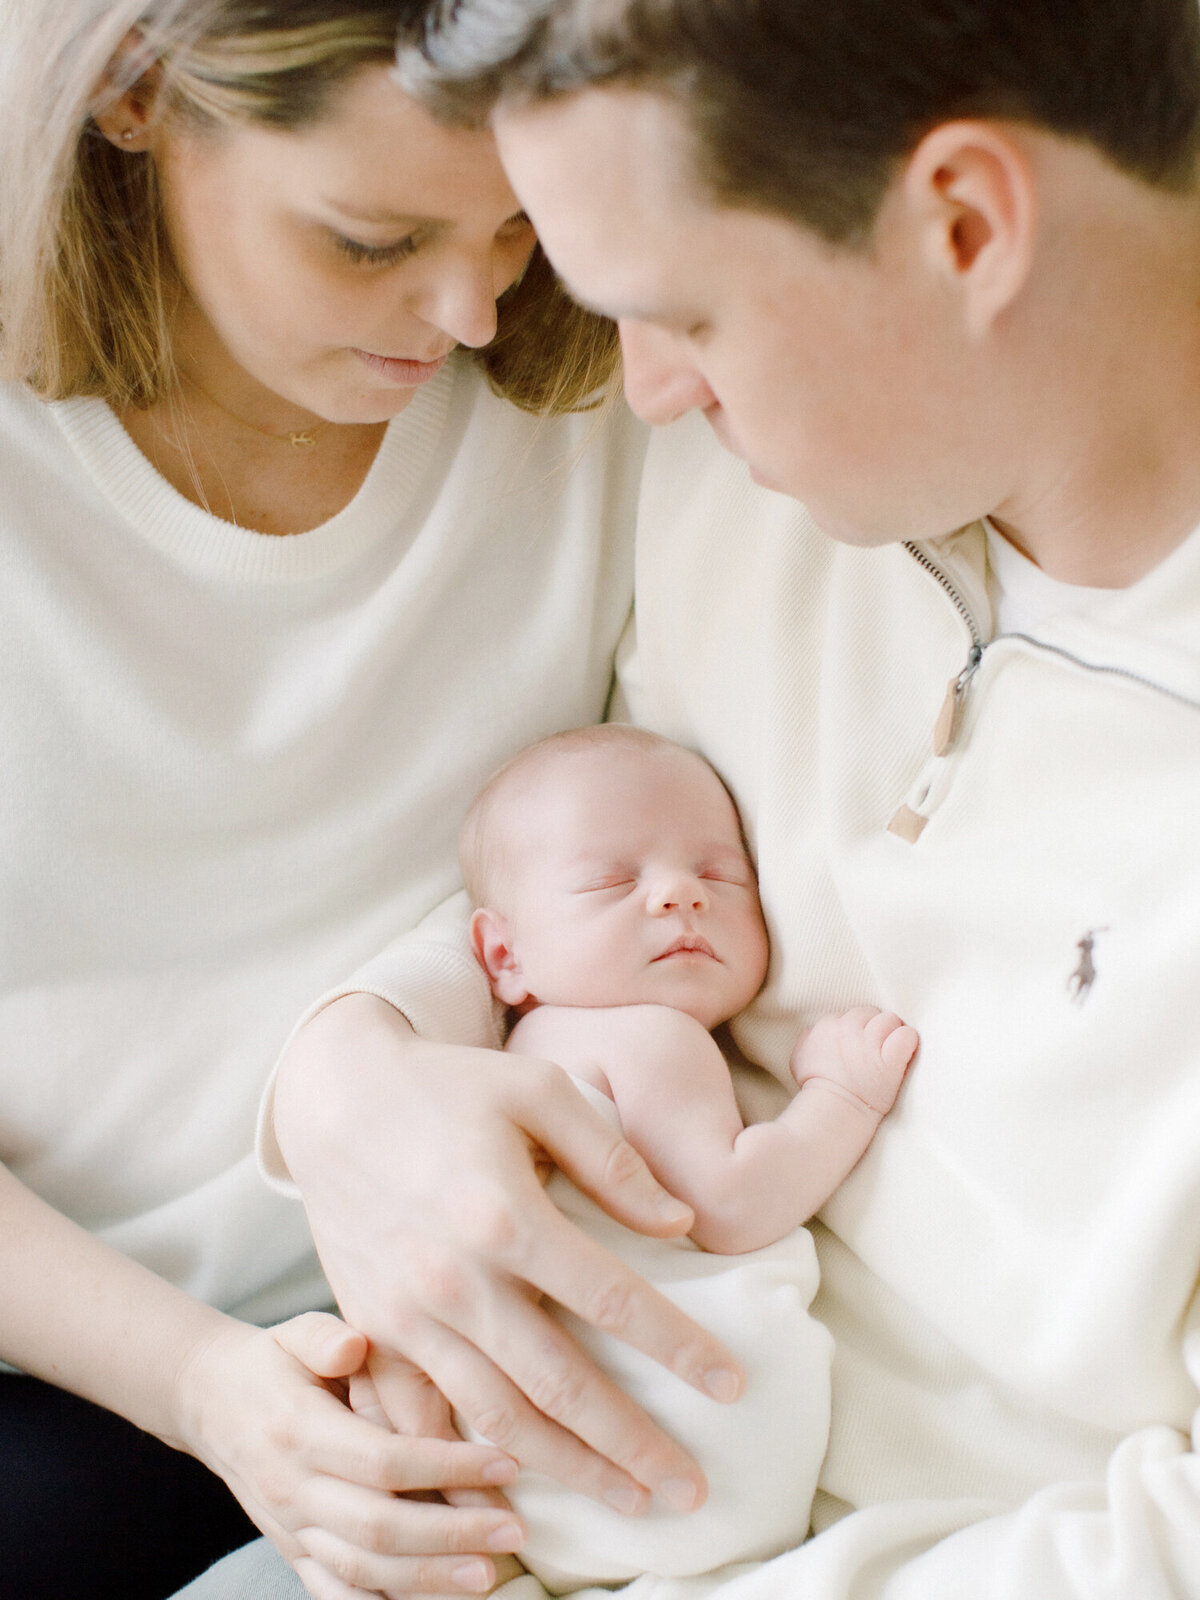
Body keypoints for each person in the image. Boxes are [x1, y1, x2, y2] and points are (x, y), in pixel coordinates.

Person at [246, 1, 1200, 1598]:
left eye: (681, 311)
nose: (641, 392)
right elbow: (582, 864)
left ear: (966, 226)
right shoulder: (752, 499)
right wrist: (356, 1071)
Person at [0, 1, 684, 1595]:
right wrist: (203, 1389)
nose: (466, 306)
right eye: (370, 240)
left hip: (470, 1305)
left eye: (519, 221)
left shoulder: (603, 388)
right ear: (131, 99)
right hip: (78, 1345)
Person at [461, 723, 915, 1589]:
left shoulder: (519, 1054)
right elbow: (733, 1206)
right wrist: (843, 1097)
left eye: (720, 875)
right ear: (503, 954)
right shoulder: (643, 1039)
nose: (680, 895)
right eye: (609, 882)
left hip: (548, 1491)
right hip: (685, 1461)